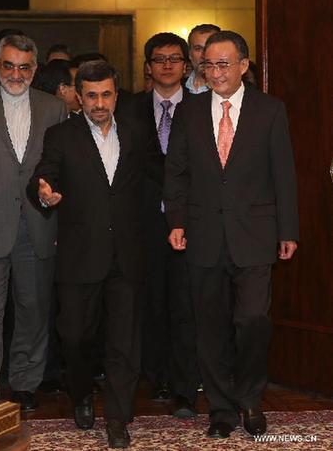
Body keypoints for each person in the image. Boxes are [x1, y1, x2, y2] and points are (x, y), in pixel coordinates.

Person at [164, 30, 299, 439]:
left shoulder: (270, 110)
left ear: (243, 65)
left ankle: (251, 400)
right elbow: (177, 171)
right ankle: (221, 409)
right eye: (209, 64)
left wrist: (288, 230)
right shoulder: (189, 110)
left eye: (225, 64)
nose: (216, 72)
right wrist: (176, 221)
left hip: (256, 234)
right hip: (203, 235)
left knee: (253, 319)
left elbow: (283, 174)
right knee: (211, 326)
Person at [27, 60, 163, 449]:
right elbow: (45, 175)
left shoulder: (137, 133)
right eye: (91, 95)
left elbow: (166, 173)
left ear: (116, 95)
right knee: (73, 335)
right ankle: (82, 392)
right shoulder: (61, 135)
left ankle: (118, 417)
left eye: (106, 94)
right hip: (79, 255)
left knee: (125, 342)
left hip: (128, 255)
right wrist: (44, 193)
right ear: (78, 96)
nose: (99, 103)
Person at [0, 34, 67, 410]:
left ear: (35, 69)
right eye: (9, 65)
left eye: (24, 67)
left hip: (39, 224)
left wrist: (54, 196)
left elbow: (62, 165)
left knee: (34, 309)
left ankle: (24, 386)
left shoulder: (54, 108)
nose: (16, 74)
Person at [134, 32, 200, 418]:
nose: (167, 65)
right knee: (151, 301)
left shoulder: (202, 107)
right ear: (148, 66)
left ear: (187, 66)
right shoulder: (128, 108)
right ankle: (154, 375)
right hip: (142, 223)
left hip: (191, 221)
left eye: (175, 58)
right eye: (159, 59)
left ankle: (184, 386)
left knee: (186, 304)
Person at [185, 24, 220, 94]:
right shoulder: (177, 88)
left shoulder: (234, 90)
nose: (204, 55)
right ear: (189, 54)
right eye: (198, 49)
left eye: (210, 48)